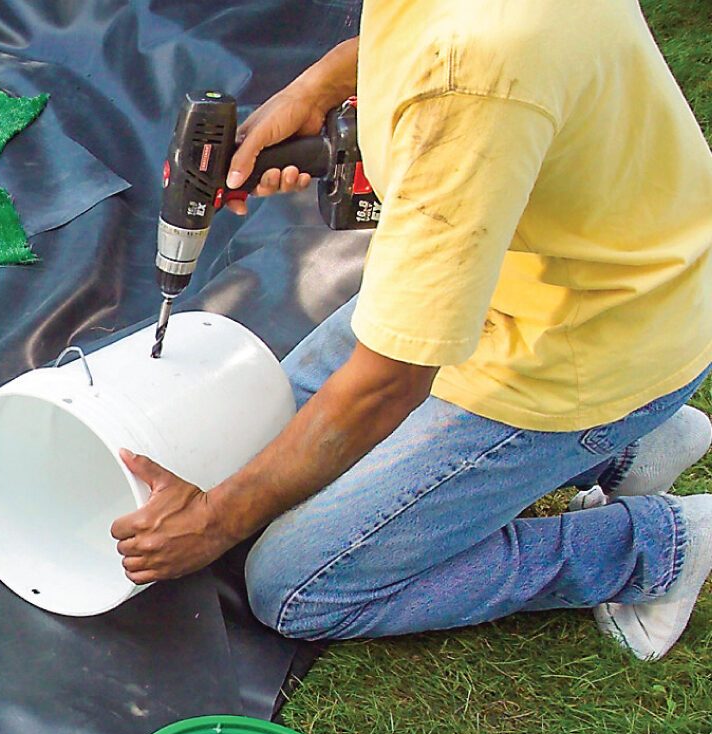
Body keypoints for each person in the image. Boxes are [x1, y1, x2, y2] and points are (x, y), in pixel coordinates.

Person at [110, 1, 712, 661]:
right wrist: (315, 88)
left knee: (295, 583)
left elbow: (386, 386)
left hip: (585, 346)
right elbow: (421, 38)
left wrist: (214, 523)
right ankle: (628, 450)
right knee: (271, 423)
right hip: (557, 277)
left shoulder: (469, 84)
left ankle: (660, 546)